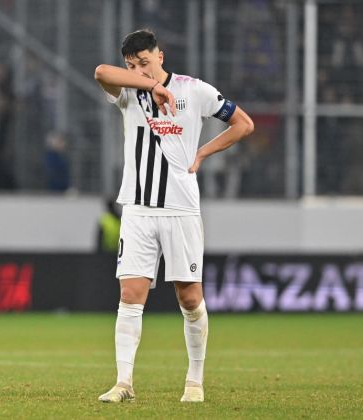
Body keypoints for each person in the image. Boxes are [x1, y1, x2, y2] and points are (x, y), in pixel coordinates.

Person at [94, 29, 254, 403]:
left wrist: (201, 154)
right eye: (133, 65)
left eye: (146, 63)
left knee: (189, 298)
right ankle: (123, 383)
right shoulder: (129, 91)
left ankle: (194, 382)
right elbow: (102, 71)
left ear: (160, 56)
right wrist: (147, 85)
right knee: (130, 295)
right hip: (137, 207)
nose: (141, 71)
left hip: (180, 209)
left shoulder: (194, 90)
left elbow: (243, 124)